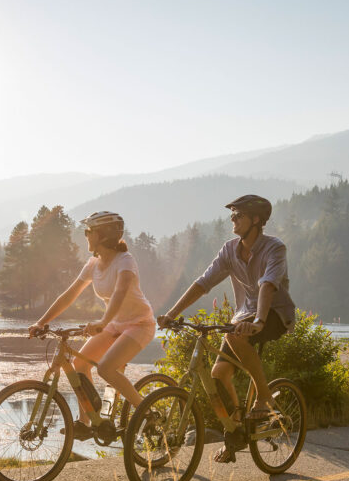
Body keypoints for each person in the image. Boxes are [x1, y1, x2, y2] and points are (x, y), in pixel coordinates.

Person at [157, 194, 295, 462]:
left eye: (238, 215)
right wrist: (172, 313)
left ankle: (264, 397)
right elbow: (203, 283)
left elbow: (268, 285)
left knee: (236, 335)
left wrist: (258, 322)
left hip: (274, 315)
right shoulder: (229, 250)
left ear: (256, 220)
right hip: (242, 318)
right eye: (231, 215)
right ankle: (235, 432)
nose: (233, 219)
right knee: (218, 374)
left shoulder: (275, 248)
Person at [28, 211, 157, 440]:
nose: (85, 235)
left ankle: (147, 411)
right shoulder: (93, 264)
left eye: (89, 231)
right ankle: (85, 422)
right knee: (79, 364)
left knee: (105, 368)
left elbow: (120, 292)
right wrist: (42, 322)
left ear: (103, 235)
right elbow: (69, 295)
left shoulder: (125, 261)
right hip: (114, 323)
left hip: (139, 324)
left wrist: (102, 322)